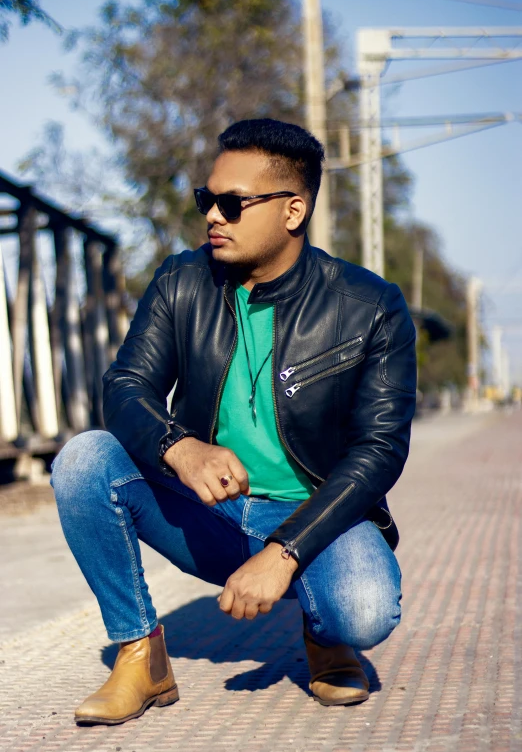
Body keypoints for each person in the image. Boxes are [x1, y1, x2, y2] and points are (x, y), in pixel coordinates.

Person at [51, 118, 417, 726]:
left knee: (364, 610)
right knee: (84, 459)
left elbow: (379, 450)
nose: (213, 216)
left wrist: (286, 551)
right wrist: (179, 447)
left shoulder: (370, 306)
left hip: (314, 514)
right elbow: (125, 387)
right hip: (207, 510)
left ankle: (326, 637)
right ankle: (140, 655)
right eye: (207, 200)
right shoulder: (180, 281)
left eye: (232, 203)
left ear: (293, 210)